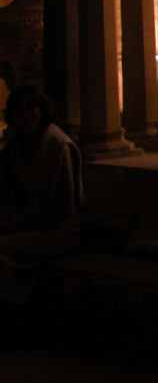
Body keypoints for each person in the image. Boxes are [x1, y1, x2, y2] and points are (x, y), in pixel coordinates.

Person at [0, 84, 82, 307]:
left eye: (31, 107)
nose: (24, 114)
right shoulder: (16, 146)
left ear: (42, 110)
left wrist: (16, 227)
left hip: (59, 230)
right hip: (29, 223)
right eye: (18, 109)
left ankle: (15, 310)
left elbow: (65, 209)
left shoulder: (57, 145)